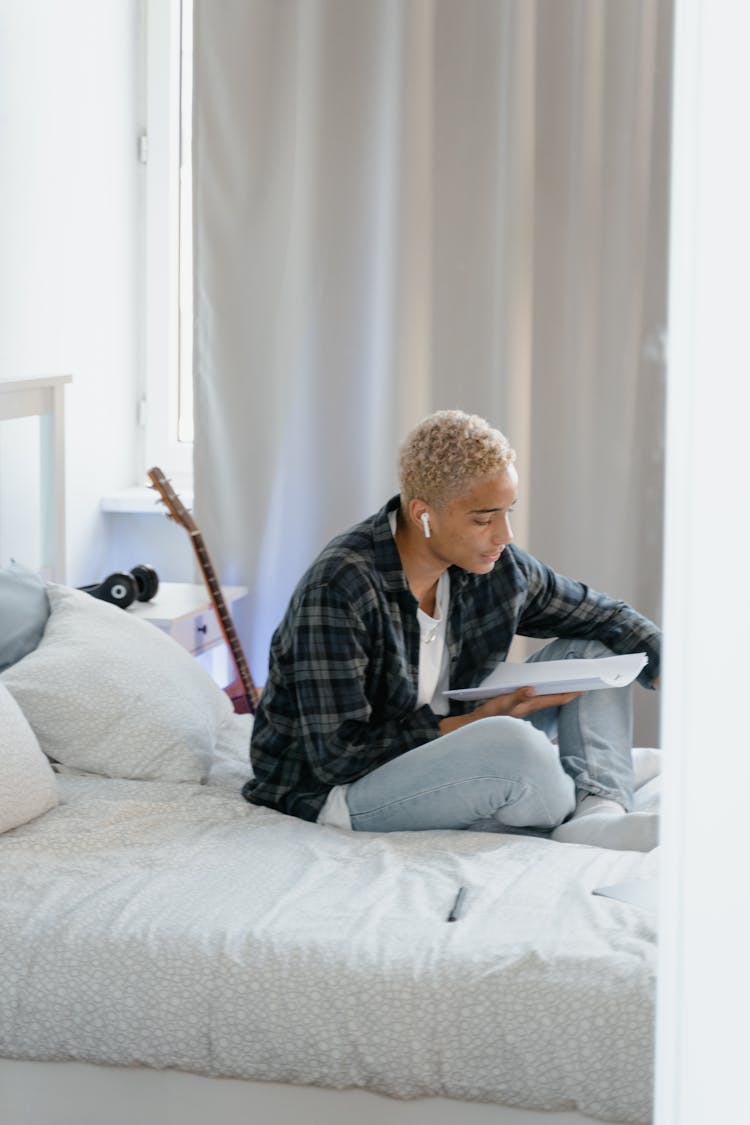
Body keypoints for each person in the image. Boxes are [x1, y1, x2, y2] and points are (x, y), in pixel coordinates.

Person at [244, 410, 661, 851]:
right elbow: (339, 756)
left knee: (596, 652)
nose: (504, 534)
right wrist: (476, 722)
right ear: (424, 515)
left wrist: (670, 666)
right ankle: (568, 789)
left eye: (507, 513)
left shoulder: (495, 567)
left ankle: (599, 811)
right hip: (341, 785)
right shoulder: (341, 588)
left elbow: (604, 615)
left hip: (458, 735)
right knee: (514, 748)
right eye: (484, 519)